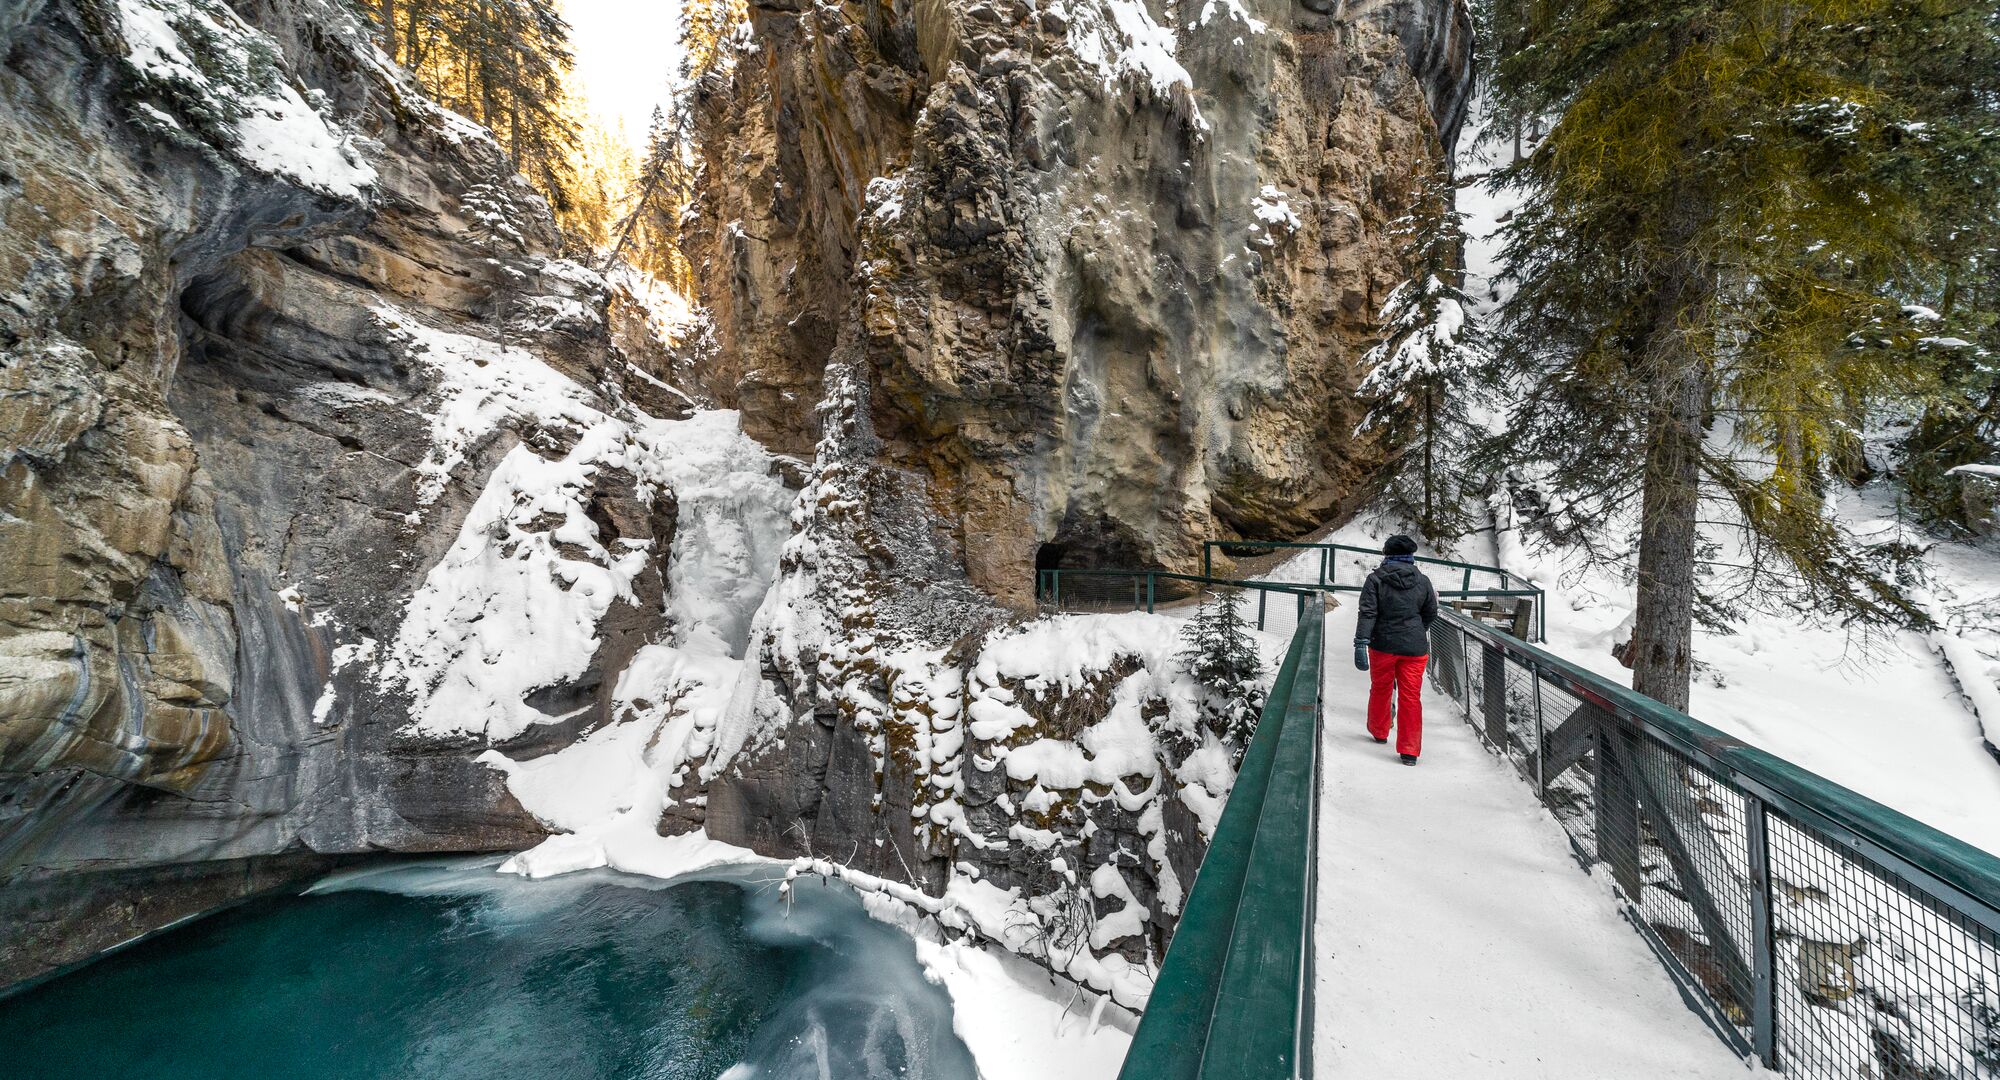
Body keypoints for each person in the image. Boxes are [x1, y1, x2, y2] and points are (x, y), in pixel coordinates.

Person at [1352, 534, 1438, 765]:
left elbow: (1368, 613)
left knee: (1381, 688)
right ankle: (1410, 751)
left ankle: (1379, 731)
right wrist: (1417, 630)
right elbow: (1431, 612)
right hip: (1415, 648)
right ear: (1410, 556)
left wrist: (1361, 641)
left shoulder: (1375, 579)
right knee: (1411, 696)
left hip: (1383, 645)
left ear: (1387, 555)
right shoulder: (1423, 581)